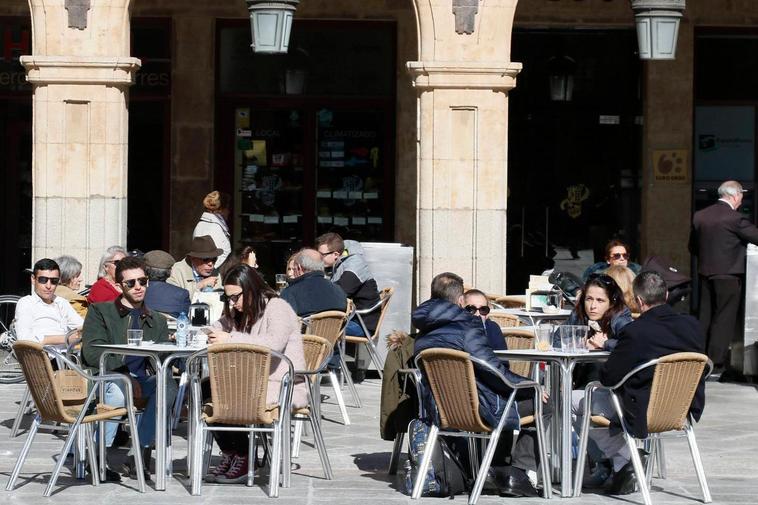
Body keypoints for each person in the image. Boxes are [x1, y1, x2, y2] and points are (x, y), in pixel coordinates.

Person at [413, 272, 547, 498]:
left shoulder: (423, 332)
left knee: (511, 397)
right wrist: (530, 385)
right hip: (477, 409)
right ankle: (518, 473)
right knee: (542, 403)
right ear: (459, 301)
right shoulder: (468, 329)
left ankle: (499, 469)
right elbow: (493, 371)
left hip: (442, 412)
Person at [573, 271, 706, 495]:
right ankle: (621, 463)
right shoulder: (693, 325)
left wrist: (605, 347)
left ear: (639, 301)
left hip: (642, 412)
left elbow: (608, 378)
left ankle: (623, 458)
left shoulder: (636, 332)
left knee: (571, 401)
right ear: (665, 294)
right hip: (680, 410)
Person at [204, 264, 307, 484]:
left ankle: (245, 456)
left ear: (250, 288)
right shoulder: (241, 311)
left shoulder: (277, 307)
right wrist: (212, 331)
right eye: (228, 298)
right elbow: (221, 325)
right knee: (206, 387)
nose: (233, 303)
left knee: (231, 393)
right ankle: (232, 452)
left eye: (236, 297)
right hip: (250, 381)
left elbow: (274, 344)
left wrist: (230, 339)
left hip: (281, 384)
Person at [80, 256, 177, 481]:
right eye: (130, 283)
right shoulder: (100, 311)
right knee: (118, 390)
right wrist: (124, 374)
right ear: (119, 286)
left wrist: (178, 348)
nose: (138, 288)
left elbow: (160, 360)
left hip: (140, 380)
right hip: (105, 377)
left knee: (167, 385)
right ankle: (98, 457)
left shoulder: (157, 320)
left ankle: (138, 453)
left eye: (142, 281)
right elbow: (92, 353)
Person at [689, 180, 758, 375]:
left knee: (705, 317)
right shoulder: (735, 219)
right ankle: (716, 362)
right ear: (735, 196)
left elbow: (692, 247)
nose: (740, 202)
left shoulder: (700, 216)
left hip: (704, 274)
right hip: (728, 276)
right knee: (724, 319)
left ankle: (698, 356)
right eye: (741, 198)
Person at [316, 232, 380, 337]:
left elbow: (340, 293)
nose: (319, 258)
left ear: (336, 254)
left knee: (316, 327)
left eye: (321, 255)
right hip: (352, 318)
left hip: (362, 324)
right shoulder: (341, 263)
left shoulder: (354, 265)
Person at [15, 258, 84, 347]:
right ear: (33, 279)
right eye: (43, 280)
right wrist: (65, 338)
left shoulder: (62, 302)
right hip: (42, 358)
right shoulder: (26, 303)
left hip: (66, 357)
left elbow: (81, 325)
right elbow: (24, 340)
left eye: (54, 281)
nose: (48, 286)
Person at [561, 274, 634, 353]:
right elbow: (556, 340)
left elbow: (634, 344)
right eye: (589, 299)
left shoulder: (620, 318)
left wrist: (605, 344)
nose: (593, 306)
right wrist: (581, 344)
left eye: (600, 300)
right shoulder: (578, 313)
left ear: (612, 303)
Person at [280, 248, 347, 317]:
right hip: (336, 327)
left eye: (294, 269)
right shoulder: (339, 290)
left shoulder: (290, 293)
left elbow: (283, 322)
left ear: (299, 268)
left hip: (304, 327)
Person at [167, 235, 223, 299]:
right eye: (205, 259)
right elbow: (174, 299)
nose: (211, 264)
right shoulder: (177, 271)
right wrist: (200, 285)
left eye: (214, 259)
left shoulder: (215, 272)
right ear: (193, 259)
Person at [143, 250, 191, 318]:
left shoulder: (136, 291)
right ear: (169, 273)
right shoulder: (182, 294)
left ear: (144, 271)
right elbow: (185, 321)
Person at [193, 190, 232, 267]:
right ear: (221, 210)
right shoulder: (214, 227)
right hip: (212, 273)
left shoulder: (203, 224)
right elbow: (219, 255)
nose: (229, 211)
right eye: (227, 208)